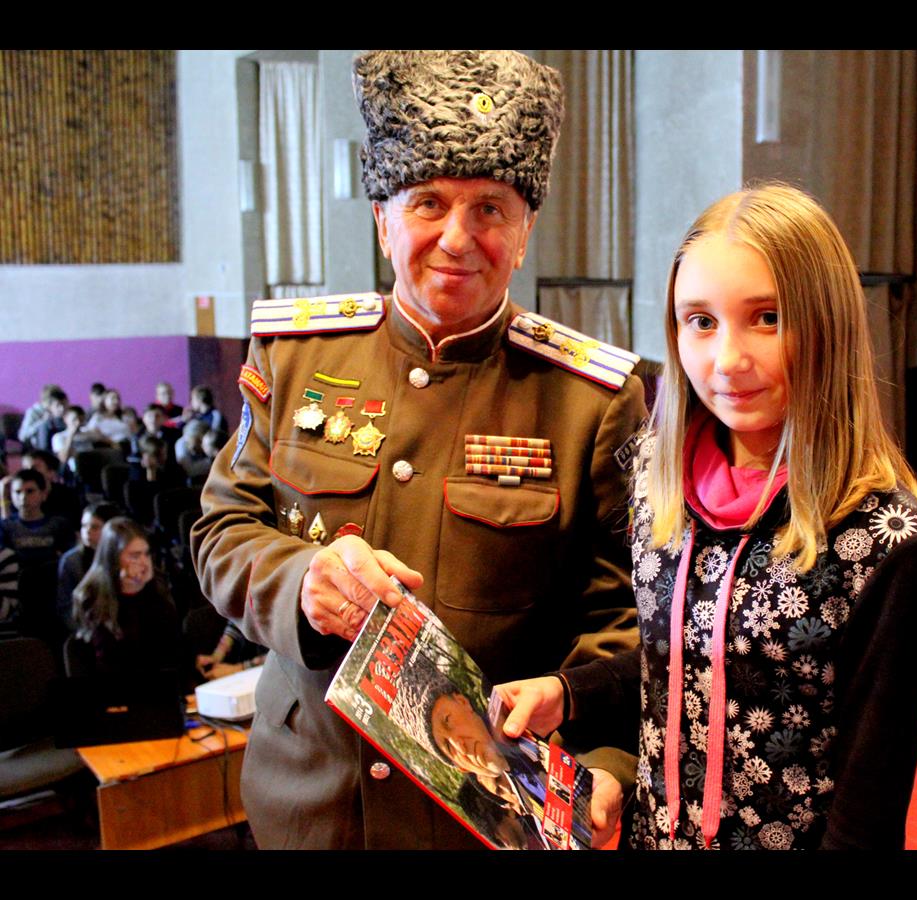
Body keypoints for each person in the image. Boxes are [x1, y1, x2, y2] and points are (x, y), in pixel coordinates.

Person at [191, 49, 644, 850]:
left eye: (491, 209)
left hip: (482, 821)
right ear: (382, 220)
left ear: (526, 232)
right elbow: (222, 531)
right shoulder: (296, 359)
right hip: (309, 806)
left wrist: (608, 761)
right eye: (428, 202)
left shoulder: (591, 401)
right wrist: (302, 582)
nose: (457, 239)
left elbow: (624, 617)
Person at [496, 184, 917, 850]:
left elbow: (868, 805)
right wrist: (571, 692)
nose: (728, 361)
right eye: (701, 321)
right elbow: (691, 656)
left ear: (829, 325)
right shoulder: (656, 478)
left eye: (767, 318)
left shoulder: (883, 538)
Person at [69, 517, 180, 677]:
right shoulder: (91, 596)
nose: (144, 562)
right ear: (114, 559)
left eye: (146, 554)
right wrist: (129, 595)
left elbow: (170, 643)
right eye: (135, 556)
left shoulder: (155, 586)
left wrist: (144, 590)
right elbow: (112, 658)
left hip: (160, 679)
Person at [57, 502, 123, 629]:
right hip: (86, 626)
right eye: (84, 526)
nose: (87, 532)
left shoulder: (122, 556)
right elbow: (66, 607)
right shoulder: (71, 561)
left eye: (95, 527)